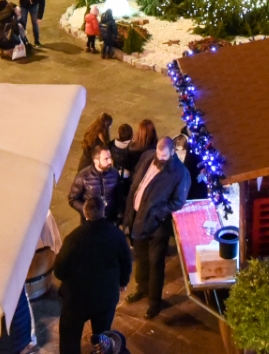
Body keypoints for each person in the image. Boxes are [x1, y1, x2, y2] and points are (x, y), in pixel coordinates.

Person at [123, 135, 190, 319]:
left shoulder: (180, 173)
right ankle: (142, 288)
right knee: (142, 258)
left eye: (164, 156)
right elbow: (137, 181)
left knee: (155, 263)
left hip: (157, 226)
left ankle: (154, 302)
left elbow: (178, 201)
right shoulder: (148, 157)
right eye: (158, 155)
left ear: (172, 152)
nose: (160, 158)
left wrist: (157, 213)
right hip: (138, 220)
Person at [55, 195, 132, 354]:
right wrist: (122, 282)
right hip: (106, 297)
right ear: (103, 212)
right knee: (102, 338)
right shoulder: (116, 235)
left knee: (69, 337)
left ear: (85, 213)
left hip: (76, 299)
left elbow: (59, 270)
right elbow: (126, 262)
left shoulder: (73, 238)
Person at [69, 145, 122, 220]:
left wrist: (119, 213)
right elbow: (72, 199)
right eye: (106, 159)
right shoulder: (83, 176)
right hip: (90, 221)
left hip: (110, 219)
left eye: (110, 157)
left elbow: (119, 195)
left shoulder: (114, 173)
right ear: (96, 161)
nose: (110, 161)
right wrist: (88, 211)